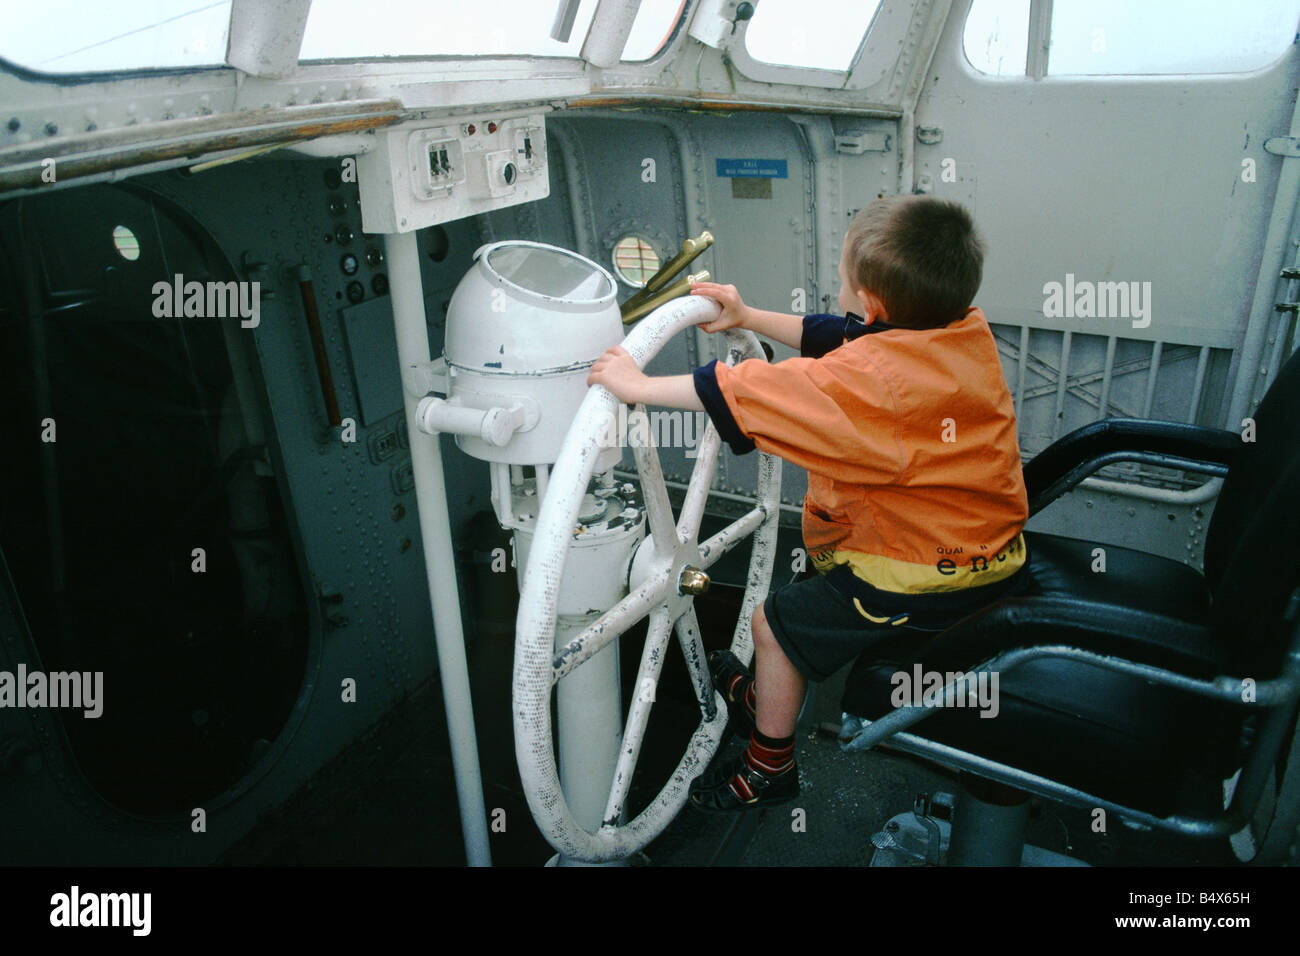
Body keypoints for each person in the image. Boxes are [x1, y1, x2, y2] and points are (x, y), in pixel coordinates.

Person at [586, 195, 1029, 813]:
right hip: (991, 551)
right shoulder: (958, 334)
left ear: (871, 301)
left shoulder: (875, 382)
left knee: (774, 628)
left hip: (921, 573)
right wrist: (747, 315)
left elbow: (758, 393)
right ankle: (758, 698)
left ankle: (770, 765)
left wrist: (635, 386)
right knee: (786, 624)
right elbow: (840, 337)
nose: (841, 298)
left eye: (845, 285)